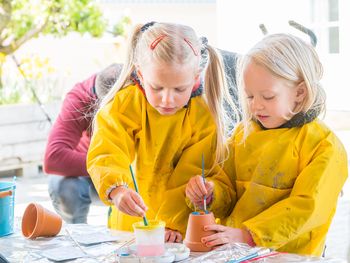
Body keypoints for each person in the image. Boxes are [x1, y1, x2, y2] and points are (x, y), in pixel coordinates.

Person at [185, 33, 348, 256]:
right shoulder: (244, 133)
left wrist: (249, 235)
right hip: (238, 254)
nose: (256, 106)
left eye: (268, 97)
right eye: (250, 96)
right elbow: (226, 185)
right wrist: (211, 193)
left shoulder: (324, 146)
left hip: (292, 257)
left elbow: (307, 208)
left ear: (300, 92)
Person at [87, 21, 238, 242]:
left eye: (180, 89)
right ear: (140, 73)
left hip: (180, 234)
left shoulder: (204, 116)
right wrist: (116, 189)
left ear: (195, 78)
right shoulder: (125, 104)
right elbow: (107, 151)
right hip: (131, 229)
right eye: (157, 87)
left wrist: (173, 221)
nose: (167, 99)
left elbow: (194, 175)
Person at [43, 63, 123, 223]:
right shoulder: (80, 97)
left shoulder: (147, 89)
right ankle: (78, 234)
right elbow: (54, 157)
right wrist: (105, 168)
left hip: (135, 172)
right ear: (98, 102)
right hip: (95, 174)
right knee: (63, 185)